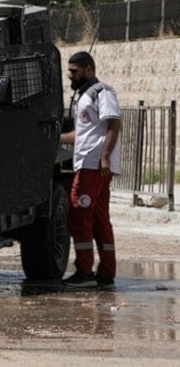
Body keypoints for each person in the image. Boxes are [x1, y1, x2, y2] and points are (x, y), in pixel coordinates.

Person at [60, 51, 121, 289]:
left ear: (88, 70)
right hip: (89, 164)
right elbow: (83, 135)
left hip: (93, 166)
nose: (70, 76)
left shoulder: (101, 92)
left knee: (79, 216)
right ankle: (106, 273)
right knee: (98, 219)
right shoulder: (85, 96)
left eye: (74, 71)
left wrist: (105, 157)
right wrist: (57, 138)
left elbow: (114, 123)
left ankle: (85, 272)